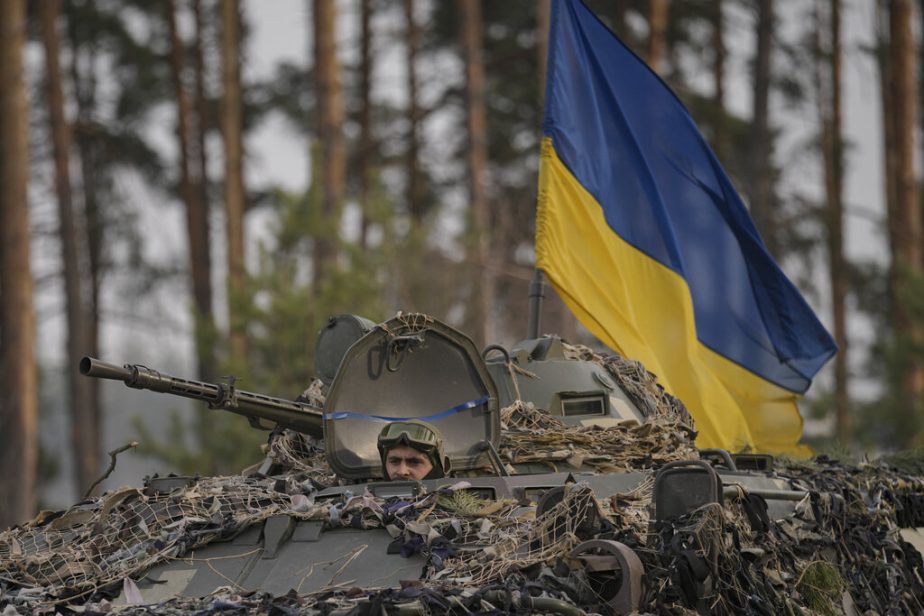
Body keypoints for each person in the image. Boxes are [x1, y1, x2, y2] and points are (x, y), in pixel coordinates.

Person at [376, 420, 451, 481]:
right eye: (394, 461)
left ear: (438, 467)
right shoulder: (367, 497)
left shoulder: (457, 497)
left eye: (414, 462)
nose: (402, 471)